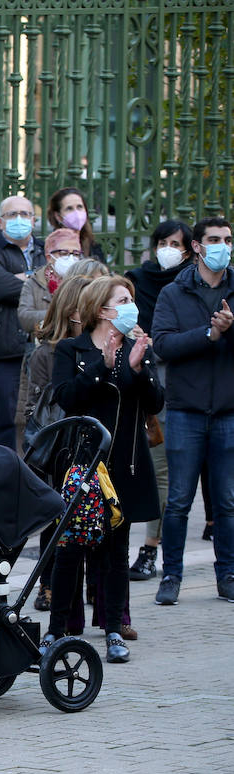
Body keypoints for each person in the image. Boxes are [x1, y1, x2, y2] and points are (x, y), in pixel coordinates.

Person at [45, 276, 163, 663]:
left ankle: (113, 629)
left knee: (115, 553)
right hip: (84, 466)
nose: (131, 306)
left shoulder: (137, 347)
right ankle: (56, 631)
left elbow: (156, 402)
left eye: (131, 299)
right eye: (123, 301)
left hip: (125, 467)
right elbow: (65, 398)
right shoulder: (71, 349)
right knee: (70, 550)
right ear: (102, 310)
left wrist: (137, 368)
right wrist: (103, 365)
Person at [150, 216, 234, 605]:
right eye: (214, 239)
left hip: (228, 412)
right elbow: (163, 345)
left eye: (228, 239)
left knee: (227, 500)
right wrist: (208, 334)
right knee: (179, 500)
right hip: (185, 411)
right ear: (197, 246)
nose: (222, 246)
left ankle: (227, 574)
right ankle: (172, 576)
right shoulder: (174, 292)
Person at [125, 219, 193, 582]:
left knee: (163, 470)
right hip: (135, 379)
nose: (170, 248)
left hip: (173, 381)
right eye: (164, 241)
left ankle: (152, 546)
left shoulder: (190, 285)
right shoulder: (136, 279)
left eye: (177, 243)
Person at [0, 196, 47, 449]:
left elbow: (61, 288)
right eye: (12, 214)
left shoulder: (47, 250)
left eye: (25, 214)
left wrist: (23, 278)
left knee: (44, 416)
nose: (19, 220)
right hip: (3, 349)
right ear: (0, 221)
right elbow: (1, 287)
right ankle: (2, 476)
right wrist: (37, 282)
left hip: (43, 345)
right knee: (5, 417)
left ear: (34, 220)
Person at [19, 234, 108, 338]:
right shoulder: (35, 282)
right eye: (64, 253)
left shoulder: (89, 280)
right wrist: (61, 312)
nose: (71, 258)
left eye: (75, 254)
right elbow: (25, 318)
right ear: (49, 257)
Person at [46, 187, 107, 263]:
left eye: (79, 207)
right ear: (58, 217)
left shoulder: (93, 245)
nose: (76, 213)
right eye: (69, 208)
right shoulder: (53, 247)